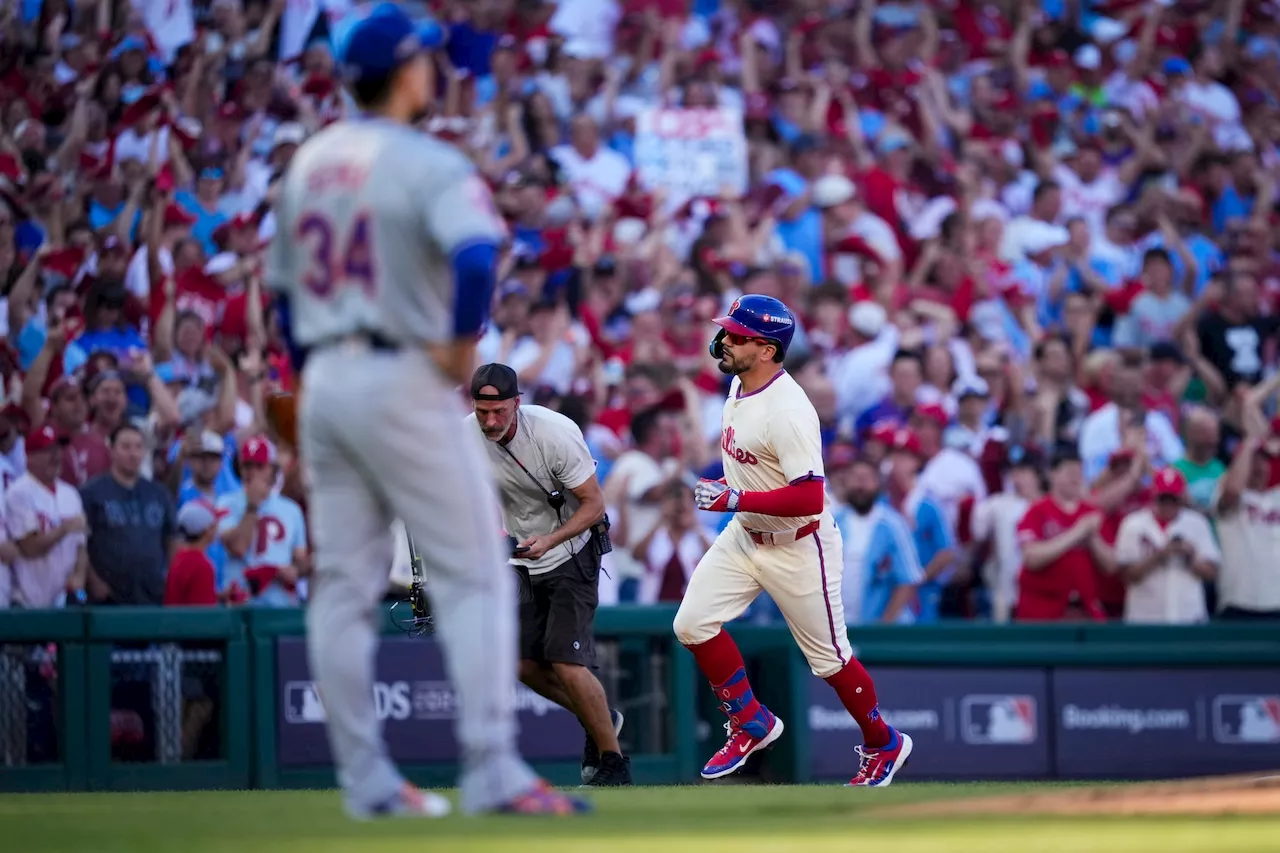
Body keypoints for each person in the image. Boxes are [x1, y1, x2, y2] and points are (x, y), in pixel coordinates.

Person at [264, 4, 587, 818]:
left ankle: (367, 782)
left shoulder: (310, 161)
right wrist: (458, 344)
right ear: (407, 72)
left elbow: (283, 293)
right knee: (476, 569)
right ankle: (490, 769)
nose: (433, 71)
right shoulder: (423, 159)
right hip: (399, 373)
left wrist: (306, 393)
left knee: (342, 584)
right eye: (425, 62)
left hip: (329, 377)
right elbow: (476, 255)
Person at [674, 294, 914, 786]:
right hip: (745, 536)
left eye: (737, 335)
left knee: (830, 661)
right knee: (692, 624)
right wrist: (736, 501)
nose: (724, 339)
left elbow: (809, 498)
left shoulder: (787, 409)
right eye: (727, 330)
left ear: (766, 349)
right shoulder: (741, 384)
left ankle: (883, 742)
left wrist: (734, 499)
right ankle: (750, 721)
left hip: (799, 543)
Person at [466, 362, 631, 787]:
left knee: (565, 659)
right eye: (483, 412)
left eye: (499, 411)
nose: (490, 421)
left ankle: (613, 761)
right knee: (521, 663)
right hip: (523, 554)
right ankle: (602, 721)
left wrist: (551, 539)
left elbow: (595, 505)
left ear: (517, 403)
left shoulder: (554, 433)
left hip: (573, 548)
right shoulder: (465, 435)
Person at [79, 424, 177, 605]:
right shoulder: (91, 493)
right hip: (108, 596)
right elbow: (79, 542)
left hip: (152, 594)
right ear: (112, 450)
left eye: (139, 447)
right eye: (126, 447)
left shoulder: (159, 493)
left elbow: (171, 539)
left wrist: (171, 578)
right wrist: (93, 580)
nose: (133, 453)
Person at [1114, 468, 1219, 624]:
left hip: (1188, 616)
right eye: (1163, 498)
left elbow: (1212, 573)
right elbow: (1127, 575)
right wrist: (1160, 554)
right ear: (1154, 496)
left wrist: (1189, 558)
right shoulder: (1133, 524)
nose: (1168, 504)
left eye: (1173, 499)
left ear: (1181, 498)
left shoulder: (1197, 523)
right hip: (1145, 619)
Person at [217, 437, 309, 607]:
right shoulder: (226, 503)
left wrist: (294, 570)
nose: (252, 473)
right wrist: (252, 505)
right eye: (247, 466)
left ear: (272, 470)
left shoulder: (291, 510)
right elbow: (238, 547)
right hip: (241, 604)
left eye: (260, 466)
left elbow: (300, 559)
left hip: (279, 605)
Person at [5, 426, 88, 607]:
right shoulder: (19, 493)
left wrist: (79, 576)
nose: (56, 456)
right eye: (47, 451)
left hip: (63, 601)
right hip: (27, 601)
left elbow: (81, 546)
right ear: (29, 457)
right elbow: (30, 548)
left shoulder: (70, 494)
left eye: (58, 449)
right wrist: (63, 529)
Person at [164, 502, 220, 606]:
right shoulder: (201, 566)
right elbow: (202, 617)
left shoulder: (179, 557)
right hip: (186, 622)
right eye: (215, 524)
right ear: (208, 530)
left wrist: (219, 597)